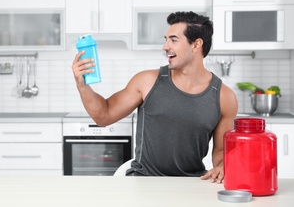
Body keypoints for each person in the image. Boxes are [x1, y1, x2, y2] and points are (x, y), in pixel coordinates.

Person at [71, 11, 238, 182]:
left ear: (196, 45)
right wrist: (82, 85)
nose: (165, 47)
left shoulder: (224, 97)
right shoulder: (146, 81)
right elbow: (103, 116)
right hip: (144, 181)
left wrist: (222, 165)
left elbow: (220, 151)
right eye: (165, 39)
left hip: (192, 182)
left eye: (173, 40)